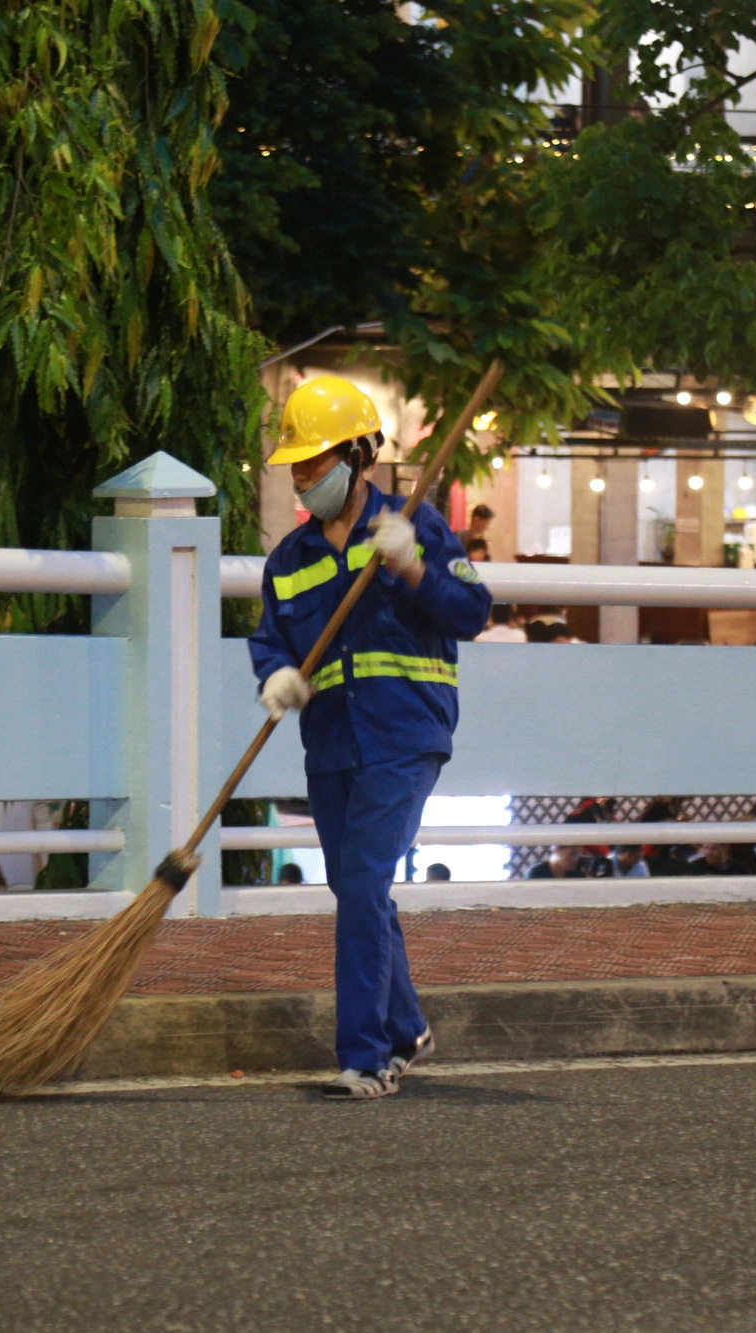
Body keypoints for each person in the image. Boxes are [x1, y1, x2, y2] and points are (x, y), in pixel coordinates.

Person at [250, 373, 491, 1100]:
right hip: (330, 742)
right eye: (296, 463)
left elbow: (472, 610)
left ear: (358, 454)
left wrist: (413, 566)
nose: (303, 475)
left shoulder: (411, 524)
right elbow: (269, 639)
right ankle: (407, 1026)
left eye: (316, 460)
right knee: (356, 888)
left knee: (360, 882)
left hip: (404, 733)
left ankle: (365, 1054)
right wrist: (278, 675)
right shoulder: (288, 561)